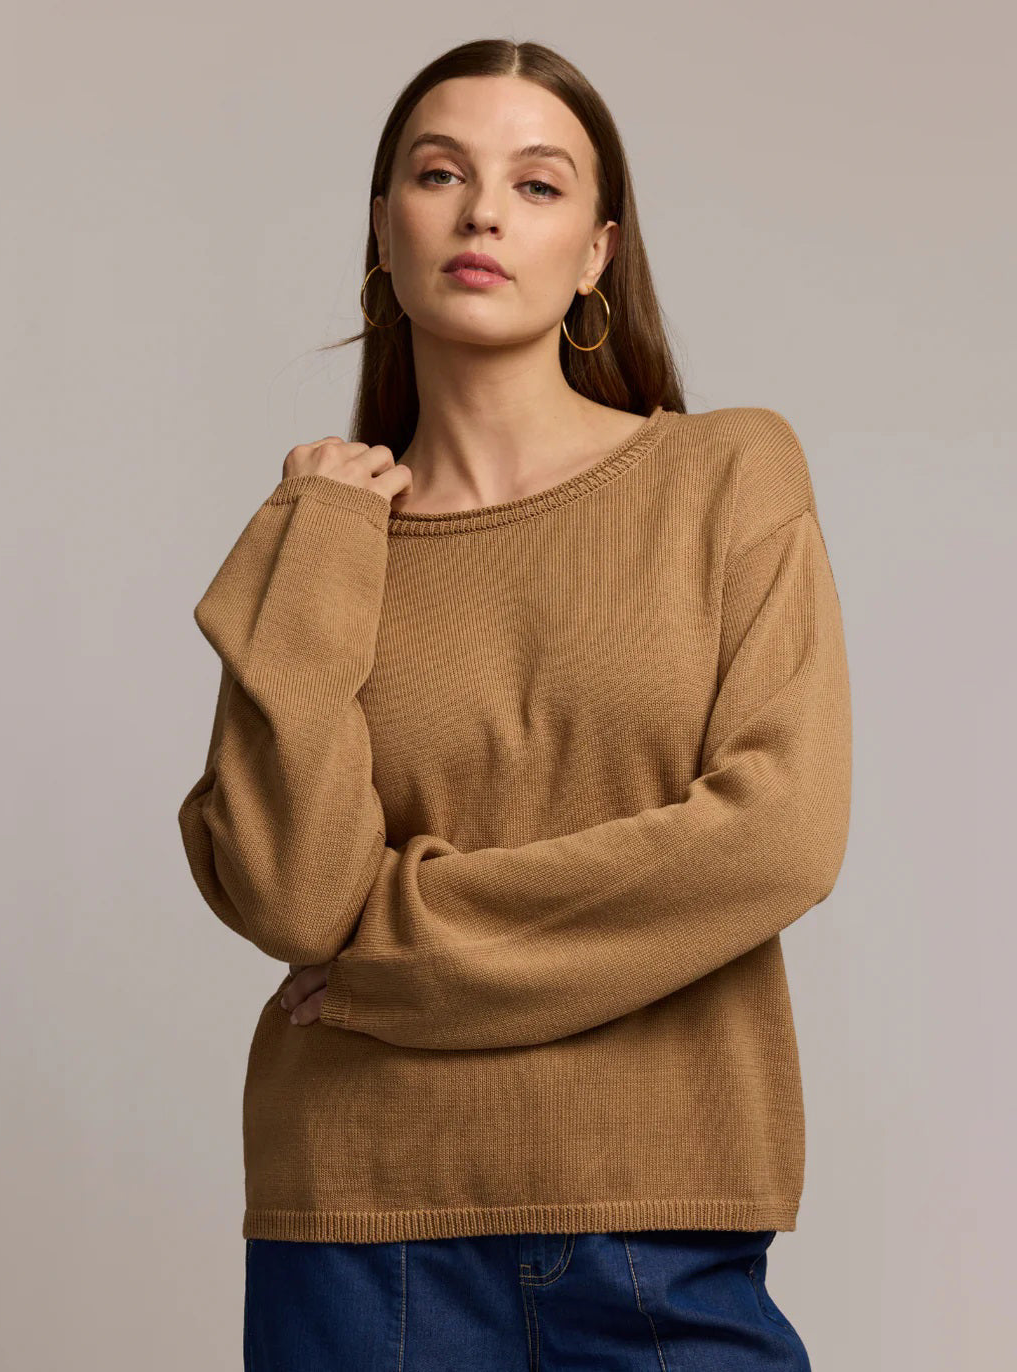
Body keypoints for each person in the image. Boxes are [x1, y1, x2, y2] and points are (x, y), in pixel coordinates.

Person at [177, 36, 852, 1372]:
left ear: (598, 251)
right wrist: (318, 537)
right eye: (440, 173)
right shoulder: (328, 541)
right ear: (386, 225)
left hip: (660, 1218)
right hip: (360, 1228)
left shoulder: (727, 474)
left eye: (537, 186)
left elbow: (778, 834)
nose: (483, 210)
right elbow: (294, 899)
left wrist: (396, 953)